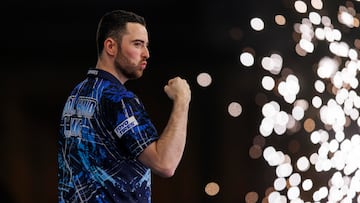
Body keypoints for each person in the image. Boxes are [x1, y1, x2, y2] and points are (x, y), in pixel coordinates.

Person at [57, 9, 191, 203]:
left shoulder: (77, 93)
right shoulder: (118, 99)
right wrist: (182, 100)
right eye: (137, 44)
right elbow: (165, 164)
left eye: (146, 45)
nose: (146, 54)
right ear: (111, 46)